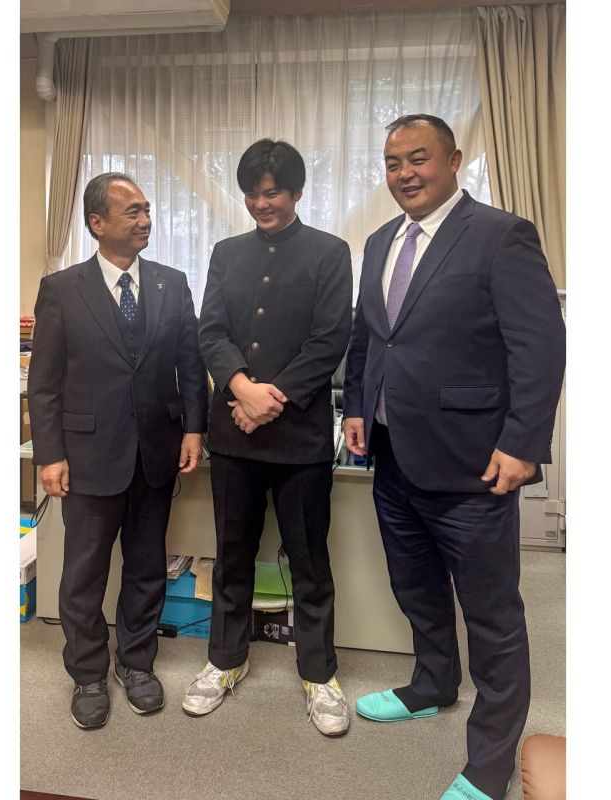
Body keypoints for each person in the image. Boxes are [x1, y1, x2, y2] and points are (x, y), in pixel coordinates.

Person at [342, 115, 565, 799]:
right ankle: (432, 684)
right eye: (392, 163)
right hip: (394, 459)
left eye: (418, 159)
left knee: (493, 618)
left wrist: (523, 443)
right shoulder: (380, 241)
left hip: (475, 466)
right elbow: (370, 336)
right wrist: (356, 406)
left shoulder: (501, 235)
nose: (404, 173)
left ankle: (489, 768)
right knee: (416, 590)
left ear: (454, 159)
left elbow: (539, 346)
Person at [183, 139, 353, 736]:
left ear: (297, 192)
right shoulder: (226, 253)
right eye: (252, 194)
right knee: (232, 554)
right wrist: (240, 387)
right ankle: (225, 660)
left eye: (272, 192)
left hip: (300, 438)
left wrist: (267, 400)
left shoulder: (330, 252)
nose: (261, 203)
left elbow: (330, 340)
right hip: (234, 436)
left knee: (309, 560)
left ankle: (319, 673)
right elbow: (211, 330)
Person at [28, 172, 208, 729]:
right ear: (97, 223)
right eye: (132, 211)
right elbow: (45, 382)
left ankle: (136, 663)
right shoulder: (62, 289)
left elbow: (190, 365)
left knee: (147, 567)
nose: (145, 220)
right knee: (83, 574)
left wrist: (194, 430)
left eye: (147, 210)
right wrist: (49, 454)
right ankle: (87, 673)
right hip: (87, 456)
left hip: (155, 454)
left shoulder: (172, 284)